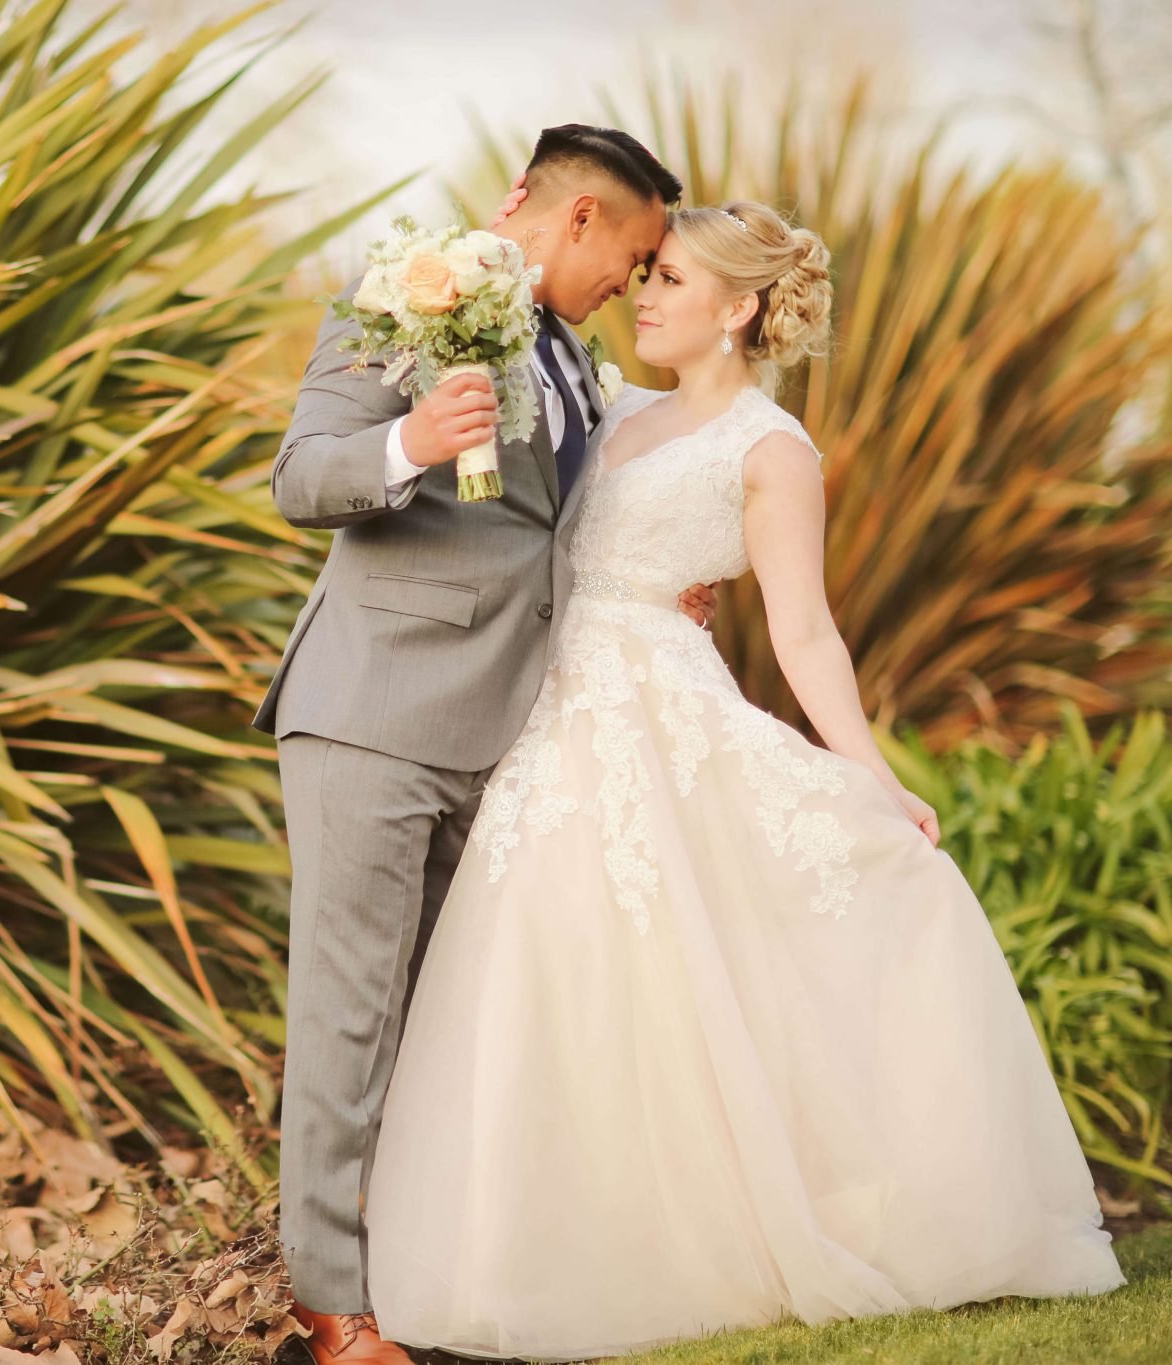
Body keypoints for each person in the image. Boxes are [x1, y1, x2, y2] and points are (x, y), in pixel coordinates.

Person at [360, 198, 1128, 1360]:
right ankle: (539, 1244)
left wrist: (868, 774)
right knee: (547, 970)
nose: (645, 294)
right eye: (647, 273)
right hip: (550, 714)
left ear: (739, 308)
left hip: (656, 718)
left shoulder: (767, 451)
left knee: (681, 974)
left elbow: (806, 633)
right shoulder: (608, 414)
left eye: (668, 278)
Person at [253, 124, 711, 1364]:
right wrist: (411, 442)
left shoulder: (572, 362)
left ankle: (418, 1281)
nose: (634, 279)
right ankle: (328, 1309)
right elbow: (298, 476)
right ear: (575, 221)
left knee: (441, 1018)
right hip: (373, 712)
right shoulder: (409, 291)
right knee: (350, 1017)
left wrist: (647, 585)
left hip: (511, 733)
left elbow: (546, 534)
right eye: (632, 250)